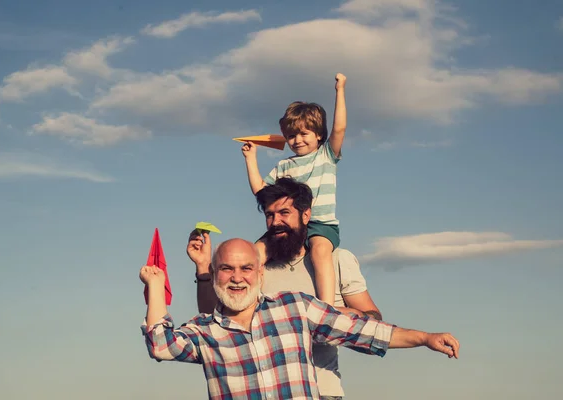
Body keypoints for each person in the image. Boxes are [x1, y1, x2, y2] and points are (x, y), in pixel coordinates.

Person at [141, 238, 459, 400]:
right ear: (215, 276)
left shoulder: (295, 308)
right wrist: (156, 286)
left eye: (246, 268)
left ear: (260, 273)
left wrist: (425, 338)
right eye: (227, 269)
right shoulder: (204, 331)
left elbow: (362, 331)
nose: (237, 278)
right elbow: (160, 345)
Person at [188, 178, 380, 399]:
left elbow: (374, 319)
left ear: (306, 215)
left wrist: (334, 316)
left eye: (284, 213)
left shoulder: (337, 260)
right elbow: (215, 320)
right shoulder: (257, 270)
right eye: (270, 215)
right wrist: (203, 268)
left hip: (324, 392)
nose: (276, 221)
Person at [241, 73, 347, 308]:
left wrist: (340, 90)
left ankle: (327, 310)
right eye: (291, 136)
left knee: (320, 252)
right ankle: (249, 303)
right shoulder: (284, 166)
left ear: (319, 135)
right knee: (256, 251)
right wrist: (250, 158)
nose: (297, 140)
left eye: (303, 134)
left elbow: (339, 128)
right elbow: (261, 191)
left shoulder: (326, 155)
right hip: (289, 225)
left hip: (320, 224)